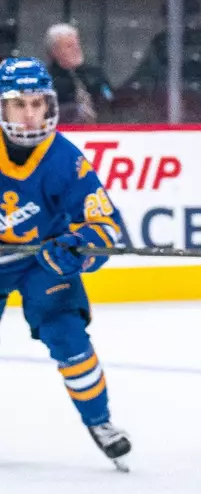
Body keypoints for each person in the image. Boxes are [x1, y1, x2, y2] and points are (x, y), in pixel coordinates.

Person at [0, 58, 131, 468]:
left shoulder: (65, 159)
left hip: (43, 261)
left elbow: (106, 226)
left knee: (69, 337)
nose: (30, 114)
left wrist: (79, 247)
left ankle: (100, 421)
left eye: (37, 104)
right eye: (19, 105)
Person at [44, 24, 116, 125]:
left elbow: (111, 99)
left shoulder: (94, 73)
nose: (76, 49)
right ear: (54, 51)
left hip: (103, 129)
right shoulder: (46, 79)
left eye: (77, 44)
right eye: (69, 46)